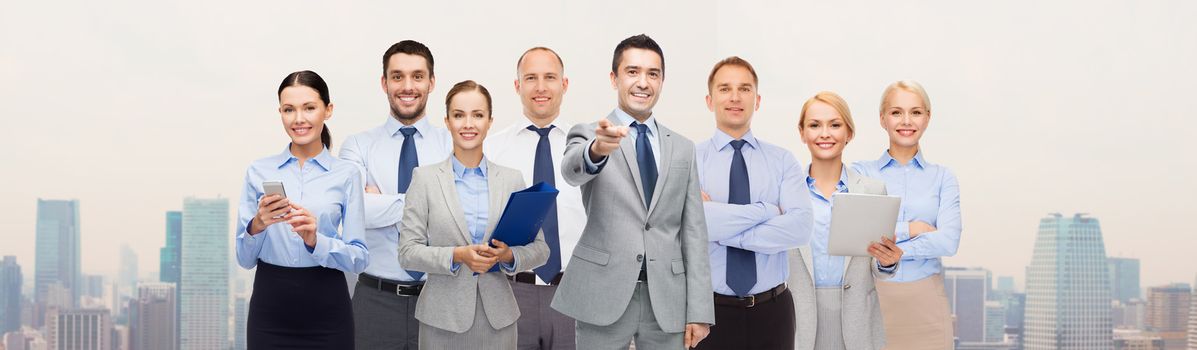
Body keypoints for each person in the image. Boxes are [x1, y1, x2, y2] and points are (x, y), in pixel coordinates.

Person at [551, 34, 714, 350]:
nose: (643, 82)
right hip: (602, 295)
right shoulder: (589, 133)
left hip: (667, 300)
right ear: (614, 78)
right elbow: (572, 170)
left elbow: (694, 232)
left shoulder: (682, 148)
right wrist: (597, 150)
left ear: (662, 81)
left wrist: (700, 310)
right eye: (632, 71)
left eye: (653, 74)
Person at [397, 80, 550, 350]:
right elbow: (407, 252)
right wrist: (457, 255)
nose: (468, 124)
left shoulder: (512, 180)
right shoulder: (425, 179)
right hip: (441, 320)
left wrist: (508, 256)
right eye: (459, 115)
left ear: (490, 121)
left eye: (477, 115)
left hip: (498, 320)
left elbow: (541, 250)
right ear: (447, 121)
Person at [236, 70, 368, 349]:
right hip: (269, 308)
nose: (298, 119)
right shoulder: (258, 171)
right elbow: (245, 259)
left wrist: (315, 240)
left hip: (328, 306)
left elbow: (359, 258)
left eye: (309, 108)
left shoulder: (347, 174)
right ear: (280, 113)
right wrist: (257, 224)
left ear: (327, 110)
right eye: (289, 110)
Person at [692, 56, 813, 350]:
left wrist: (720, 229)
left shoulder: (783, 160)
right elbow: (693, 224)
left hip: (773, 310)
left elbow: (800, 227)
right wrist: (768, 211)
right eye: (725, 89)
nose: (735, 97)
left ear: (757, 100)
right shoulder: (688, 161)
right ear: (710, 100)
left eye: (744, 89)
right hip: (709, 313)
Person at [339, 40, 452, 350]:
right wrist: (432, 201)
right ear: (384, 83)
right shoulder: (358, 146)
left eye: (417, 76)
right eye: (397, 76)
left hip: (443, 301)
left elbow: (465, 216)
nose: (407, 86)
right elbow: (352, 212)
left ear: (431, 82)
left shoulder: (454, 145)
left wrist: (381, 200)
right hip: (374, 302)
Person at [483, 46, 586, 350]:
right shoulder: (491, 150)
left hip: (574, 294)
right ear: (517, 86)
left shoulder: (587, 149)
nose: (541, 87)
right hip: (511, 294)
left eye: (550, 77)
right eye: (531, 78)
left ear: (564, 84)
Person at [852, 80, 962, 349]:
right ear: (882, 119)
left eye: (915, 112)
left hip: (926, 303)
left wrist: (895, 249)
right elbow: (855, 234)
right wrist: (912, 229)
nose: (906, 121)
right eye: (896, 112)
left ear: (927, 118)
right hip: (871, 299)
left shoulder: (943, 177)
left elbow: (948, 242)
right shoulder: (861, 173)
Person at [790, 91, 904, 350]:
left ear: (849, 133)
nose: (825, 133)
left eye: (835, 125)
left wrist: (888, 262)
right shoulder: (783, 193)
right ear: (802, 132)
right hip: (798, 324)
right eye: (815, 125)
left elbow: (877, 267)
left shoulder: (873, 191)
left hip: (858, 326)